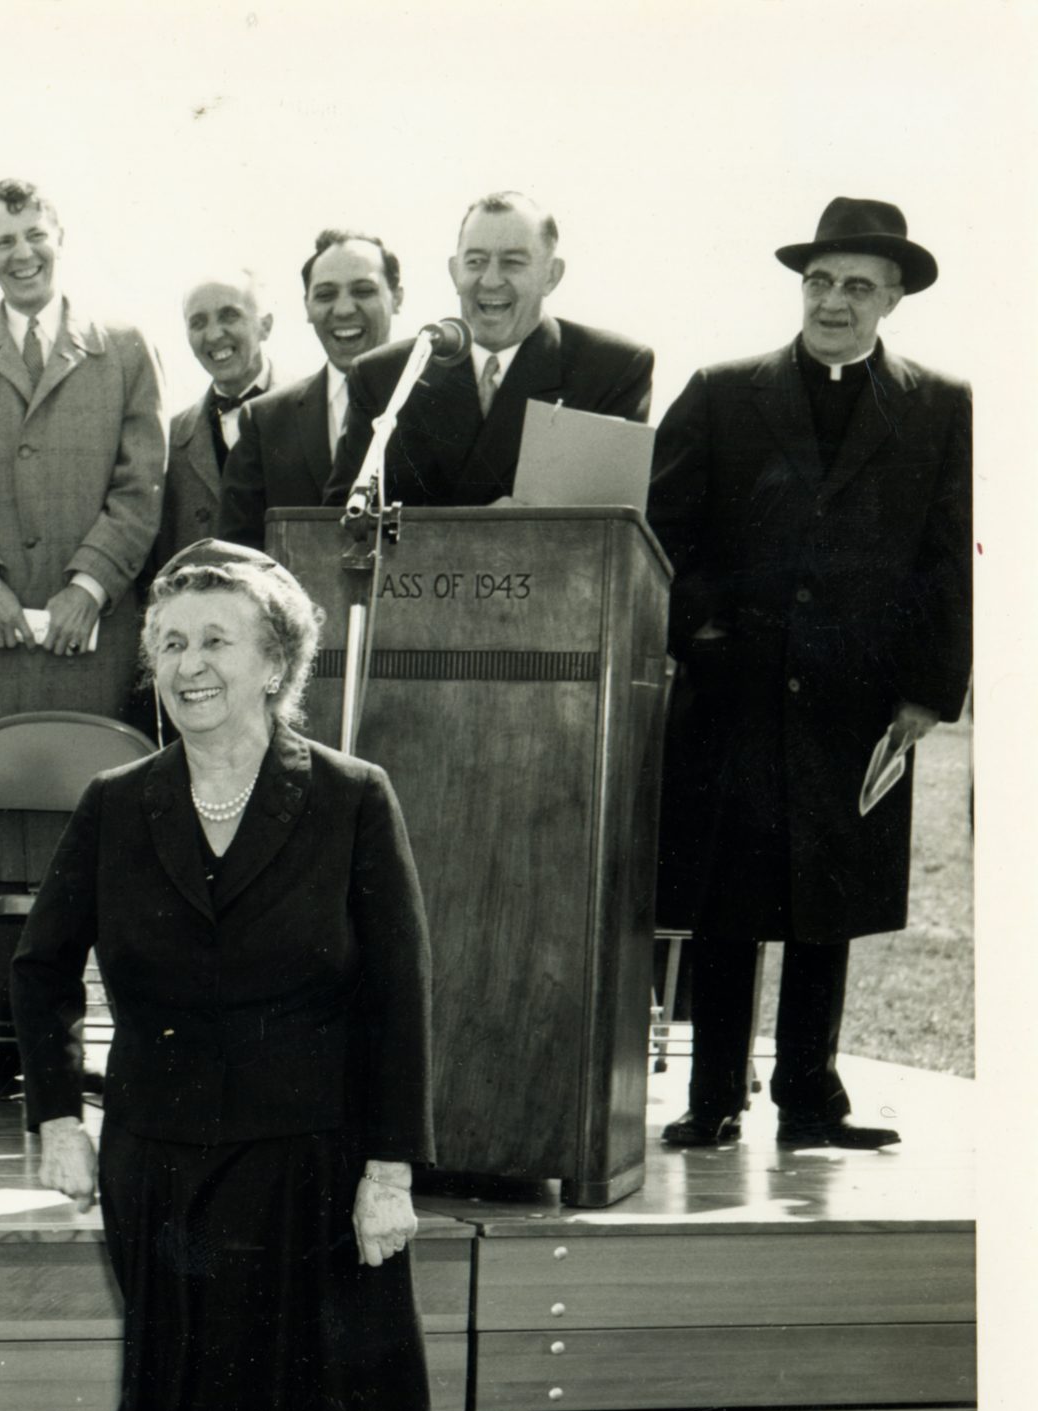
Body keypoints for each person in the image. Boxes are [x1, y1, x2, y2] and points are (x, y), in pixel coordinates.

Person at [12, 539, 437, 1411]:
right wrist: (56, 1113)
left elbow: (398, 996)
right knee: (185, 1398)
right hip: (159, 1157)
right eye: (171, 643)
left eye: (216, 642)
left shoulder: (352, 798)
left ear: (275, 664)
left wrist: (389, 1169)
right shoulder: (114, 805)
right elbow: (39, 968)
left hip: (310, 1156)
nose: (189, 666)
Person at [650, 199, 971, 1152]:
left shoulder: (941, 405)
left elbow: (951, 557)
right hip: (735, 692)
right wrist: (703, 626)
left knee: (824, 898)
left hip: (857, 701)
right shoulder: (721, 390)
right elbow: (664, 532)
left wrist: (925, 692)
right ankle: (712, 1099)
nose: (835, 302)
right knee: (726, 898)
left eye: (858, 286)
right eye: (820, 282)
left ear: (894, 298)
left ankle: (810, 1099)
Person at [0, 178, 165, 1085]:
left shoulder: (126, 350)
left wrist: (90, 584)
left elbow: (142, 490)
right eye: (2, 240)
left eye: (35, 235)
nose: (21, 253)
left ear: (61, 238)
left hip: (89, 644)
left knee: (87, 837)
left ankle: (73, 1051)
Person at [325, 190, 652, 508]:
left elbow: (611, 534)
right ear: (455, 271)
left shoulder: (611, 371)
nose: (491, 280)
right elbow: (335, 521)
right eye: (476, 261)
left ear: (551, 276)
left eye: (512, 262)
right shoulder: (385, 376)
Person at [219, 230, 405, 547]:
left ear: (397, 297)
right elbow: (239, 552)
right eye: (325, 295)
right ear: (307, 307)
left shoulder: (440, 402)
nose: (344, 309)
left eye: (363, 291)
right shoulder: (264, 421)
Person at [150, 270, 275, 574]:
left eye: (229, 316)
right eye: (198, 322)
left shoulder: (312, 414)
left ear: (265, 326)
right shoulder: (171, 436)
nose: (214, 334)